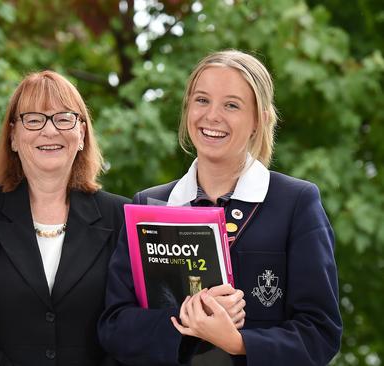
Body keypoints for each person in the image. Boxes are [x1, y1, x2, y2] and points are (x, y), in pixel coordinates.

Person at [98, 50, 342, 365]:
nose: (212, 116)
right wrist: (190, 320)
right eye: (201, 100)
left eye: (231, 105)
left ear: (260, 119)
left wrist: (239, 343)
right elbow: (114, 327)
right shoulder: (148, 204)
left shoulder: (296, 203)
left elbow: (321, 334)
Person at [0, 70, 129, 366]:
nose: (49, 131)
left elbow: (129, 324)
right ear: (13, 136)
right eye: (34, 119)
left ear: (82, 134)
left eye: (63, 118)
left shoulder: (121, 218)